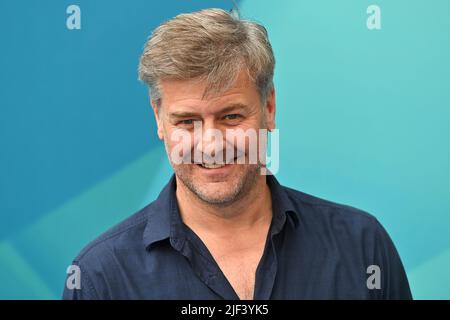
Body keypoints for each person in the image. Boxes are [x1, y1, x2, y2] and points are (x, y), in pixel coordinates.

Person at [63, 8, 412, 300]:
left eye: (231, 116)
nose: (212, 144)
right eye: (187, 121)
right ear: (159, 119)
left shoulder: (363, 246)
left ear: (269, 107)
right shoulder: (100, 277)